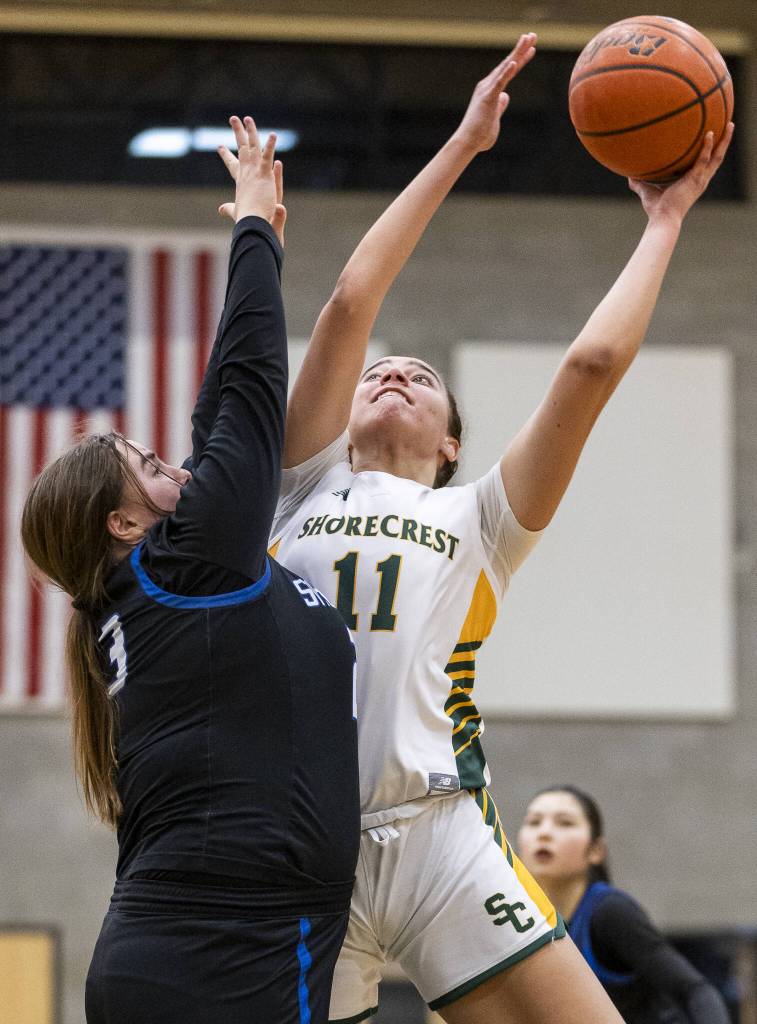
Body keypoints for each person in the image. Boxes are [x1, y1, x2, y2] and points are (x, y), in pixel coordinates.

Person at [221, 36, 732, 1022]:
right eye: (381, 369)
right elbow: (348, 304)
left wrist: (663, 221)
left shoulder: (481, 518)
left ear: (452, 441)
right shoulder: (298, 486)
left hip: (441, 833)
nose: (393, 368)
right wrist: (461, 144)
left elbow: (588, 367)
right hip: (300, 843)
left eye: (420, 376)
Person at [21, 117, 359, 1024]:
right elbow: (248, 391)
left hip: (190, 945)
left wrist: (258, 240)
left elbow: (220, 415)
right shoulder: (179, 568)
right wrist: (251, 228)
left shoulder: (158, 583)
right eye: (149, 465)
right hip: (229, 949)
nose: (178, 463)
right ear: (124, 521)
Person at [517, 785, 732, 1023]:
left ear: (596, 851)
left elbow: (697, 991)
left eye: (565, 823)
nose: (544, 833)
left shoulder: (610, 911)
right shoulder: (523, 921)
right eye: (534, 822)